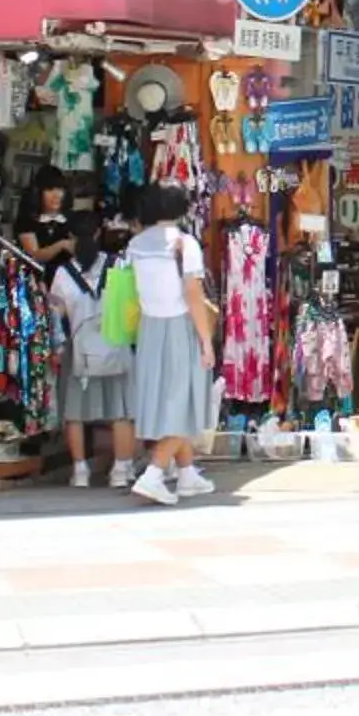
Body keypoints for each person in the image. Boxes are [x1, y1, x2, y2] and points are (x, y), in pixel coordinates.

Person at [122, 186, 217, 504]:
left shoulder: (135, 244)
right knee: (184, 402)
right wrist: (206, 341)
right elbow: (193, 295)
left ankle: (187, 473)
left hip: (150, 328)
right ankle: (155, 473)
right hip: (180, 327)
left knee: (168, 400)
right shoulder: (185, 244)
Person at [50, 214, 137, 489]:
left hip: (79, 351)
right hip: (116, 345)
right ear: (99, 233)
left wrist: (57, 348)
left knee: (74, 413)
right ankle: (121, 470)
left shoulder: (63, 274)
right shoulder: (118, 265)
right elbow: (130, 310)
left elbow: (56, 315)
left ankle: (80, 471)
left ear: (71, 238)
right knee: (120, 411)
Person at [14, 167, 78, 266]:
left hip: (68, 278)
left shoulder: (71, 218)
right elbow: (34, 257)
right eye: (50, 189)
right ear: (38, 192)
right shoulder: (27, 221)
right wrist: (61, 245)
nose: (56, 195)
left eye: (60, 189)